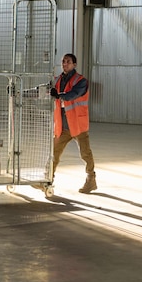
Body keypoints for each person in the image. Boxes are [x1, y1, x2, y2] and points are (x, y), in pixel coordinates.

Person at [49, 53, 97, 193]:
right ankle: (48, 180)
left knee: (85, 153)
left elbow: (73, 94)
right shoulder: (57, 80)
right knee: (54, 153)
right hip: (62, 126)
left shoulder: (81, 81)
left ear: (74, 64)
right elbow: (45, 91)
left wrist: (59, 95)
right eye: (63, 61)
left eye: (68, 62)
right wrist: (21, 92)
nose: (65, 64)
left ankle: (91, 180)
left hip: (78, 125)